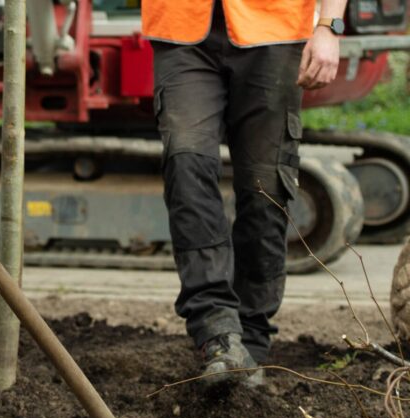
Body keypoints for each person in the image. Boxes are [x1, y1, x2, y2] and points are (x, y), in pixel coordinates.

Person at [141, 0, 347, 387]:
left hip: (275, 29)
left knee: (264, 187)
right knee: (187, 165)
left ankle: (251, 339)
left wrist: (328, 26)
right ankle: (215, 331)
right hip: (181, 28)